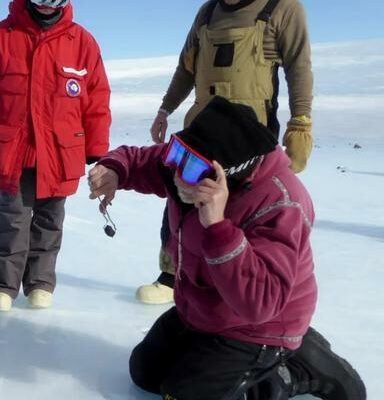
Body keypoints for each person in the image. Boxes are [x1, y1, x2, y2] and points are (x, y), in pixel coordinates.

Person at [88, 98, 365, 399]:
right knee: (146, 372)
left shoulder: (280, 203)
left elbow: (261, 302)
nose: (177, 171)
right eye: (179, 153)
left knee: (182, 394)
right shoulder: (189, 167)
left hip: (258, 325)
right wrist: (116, 170)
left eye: (191, 166)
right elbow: (142, 159)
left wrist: (219, 228)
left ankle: (292, 369)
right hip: (202, 310)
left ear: (227, 176)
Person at [138, 0, 316, 305]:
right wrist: (165, 109)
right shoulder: (207, 12)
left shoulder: (283, 8)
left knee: (233, 214)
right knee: (180, 202)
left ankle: (231, 287)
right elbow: (186, 68)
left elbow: (299, 67)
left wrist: (300, 123)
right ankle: (172, 276)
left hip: (248, 142)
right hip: (199, 135)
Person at [0, 0, 111, 311]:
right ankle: (3, 286)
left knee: (50, 221)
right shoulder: (1, 36)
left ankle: (40, 284)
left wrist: (96, 148)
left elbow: (97, 99)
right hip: (12, 151)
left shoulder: (82, 41)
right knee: (12, 220)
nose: (47, 6)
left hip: (60, 153)